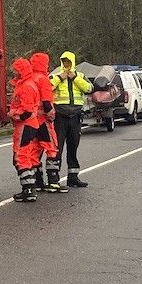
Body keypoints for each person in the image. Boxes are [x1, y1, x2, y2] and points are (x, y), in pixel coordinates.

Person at [50, 51, 93, 188]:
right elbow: (47, 87)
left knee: (73, 147)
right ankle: (54, 179)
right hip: (60, 117)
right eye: (64, 62)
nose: (66, 64)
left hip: (75, 116)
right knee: (57, 149)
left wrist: (75, 78)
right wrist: (60, 78)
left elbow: (89, 88)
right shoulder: (55, 76)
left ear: (72, 62)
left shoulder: (80, 76)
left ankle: (73, 177)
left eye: (68, 61)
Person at [28, 52, 66, 193]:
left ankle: (37, 182)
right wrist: (51, 115)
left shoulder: (28, 79)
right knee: (52, 149)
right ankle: (53, 181)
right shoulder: (43, 79)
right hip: (43, 120)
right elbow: (46, 101)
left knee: (34, 151)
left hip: (31, 122)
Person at [9, 58, 42, 202]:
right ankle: (29, 188)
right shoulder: (26, 84)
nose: (14, 73)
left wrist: (14, 115)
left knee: (21, 157)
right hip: (28, 125)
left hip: (25, 124)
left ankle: (29, 189)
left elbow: (26, 111)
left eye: (16, 71)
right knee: (23, 156)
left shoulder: (26, 86)